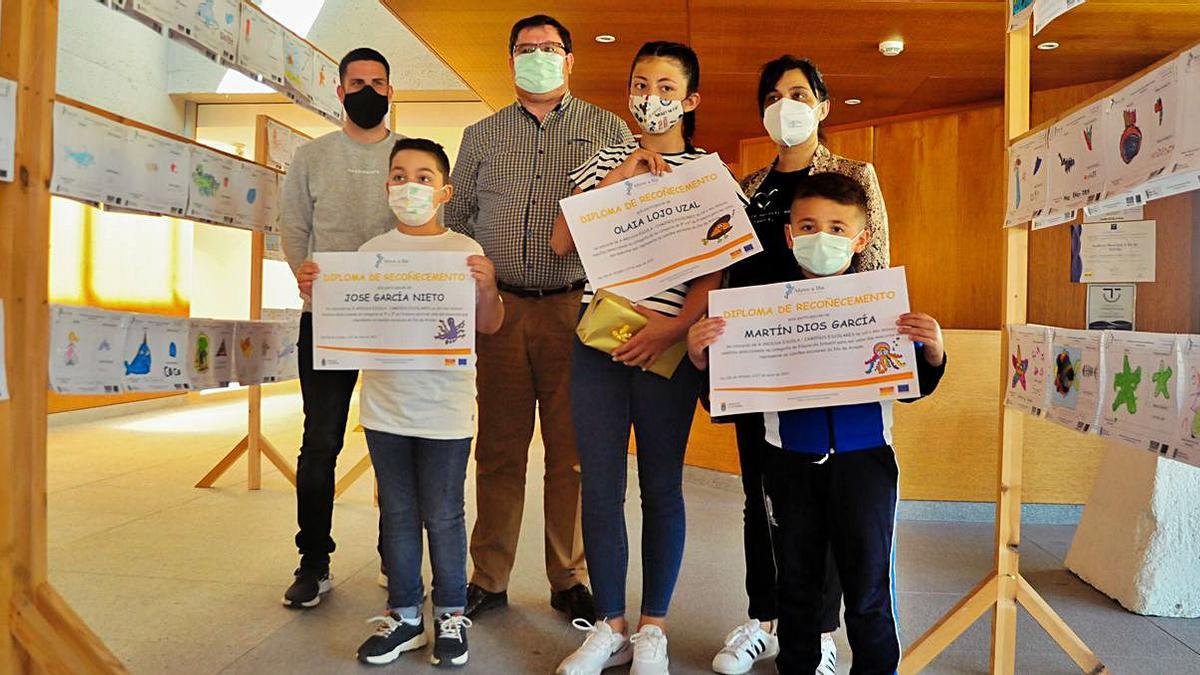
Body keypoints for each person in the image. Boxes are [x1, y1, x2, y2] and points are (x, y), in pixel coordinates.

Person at [688, 173, 946, 675]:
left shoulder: (880, 308)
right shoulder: (756, 311)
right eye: (808, 225)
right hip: (786, 466)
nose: (821, 237)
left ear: (860, 239)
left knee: (870, 591)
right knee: (796, 589)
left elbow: (914, 385)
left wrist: (933, 352)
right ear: (789, 234)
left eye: (836, 227)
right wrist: (702, 359)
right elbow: (725, 403)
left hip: (866, 466)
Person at [444, 14, 633, 622]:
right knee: (499, 450)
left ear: (571, 60)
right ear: (510, 61)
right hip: (499, 310)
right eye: (526, 49)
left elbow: (623, 218)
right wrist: (482, 282)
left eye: (550, 49)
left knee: (570, 453)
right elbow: (460, 218)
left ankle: (568, 576)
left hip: (573, 307)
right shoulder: (481, 135)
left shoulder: (609, 131)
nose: (538, 57)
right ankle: (489, 577)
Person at [710, 55, 891, 675]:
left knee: (831, 497)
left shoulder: (851, 173)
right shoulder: (748, 186)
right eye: (774, 95)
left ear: (822, 104)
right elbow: (730, 273)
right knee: (761, 496)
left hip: (830, 366)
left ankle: (820, 628)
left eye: (798, 93)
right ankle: (763, 618)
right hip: (757, 366)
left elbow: (873, 274)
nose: (785, 104)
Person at [551, 41, 723, 675]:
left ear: (691, 99)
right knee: (598, 485)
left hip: (669, 346)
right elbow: (562, 239)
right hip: (598, 343)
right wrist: (619, 177)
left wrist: (673, 328)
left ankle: (654, 627)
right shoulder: (603, 159)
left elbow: (718, 269)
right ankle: (608, 626)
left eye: (667, 85)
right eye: (641, 82)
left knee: (662, 488)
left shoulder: (710, 171)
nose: (652, 95)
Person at [298, 139, 504, 667]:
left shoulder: (465, 250)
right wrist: (319, 289)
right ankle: (406, 615)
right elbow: (350, 324)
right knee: (398, 512)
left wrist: (486, 288)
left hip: (446, 409)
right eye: (398, 176)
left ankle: (452, 613)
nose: (409, 186)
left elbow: (490, 324)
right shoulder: (371, 253)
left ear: (445, 191)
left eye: (424, 177)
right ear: (386, 186)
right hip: (385, 407)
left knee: (444, 512)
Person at [280, 47, 402, 609]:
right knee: (321, 441)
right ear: (340, 90)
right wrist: (301, 271)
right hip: (327, 318)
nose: (368, 91)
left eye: (378, 82)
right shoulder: (312, 156)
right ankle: (314, 560)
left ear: (391, 91)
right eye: (358, 82)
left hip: (398, 319)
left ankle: (394, 556)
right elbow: (294, 228)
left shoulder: (410, 156)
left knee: (395, 443)